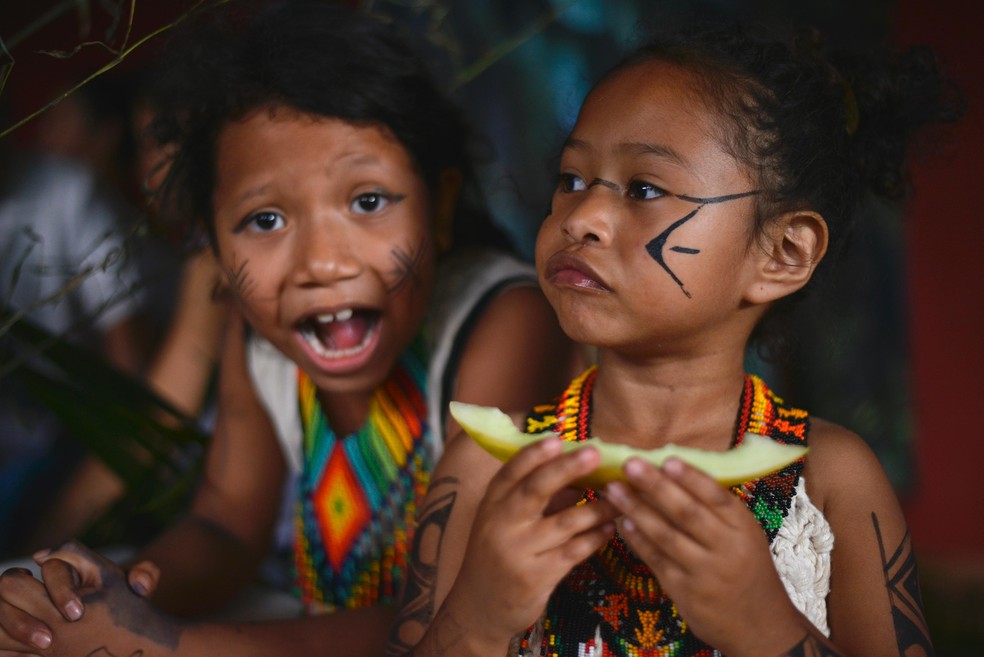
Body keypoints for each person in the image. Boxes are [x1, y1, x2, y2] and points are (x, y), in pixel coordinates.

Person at [0, 1, 582, 655]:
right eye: (265, 220)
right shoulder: (260, 339)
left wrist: (165, 642)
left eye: (367, 201)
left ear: (440, 208)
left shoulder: (503, 323)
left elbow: (443, 609)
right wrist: (117, 596)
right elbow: (225, 524)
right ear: (214, 253)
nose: (321, 263)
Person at [386, 22, 960, 657]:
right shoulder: (484, 470)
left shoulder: (832, 479)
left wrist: (765, 626)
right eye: (572, 179)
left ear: (783, 253)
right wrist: (477, 617)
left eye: (645, 189)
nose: (582, 218)